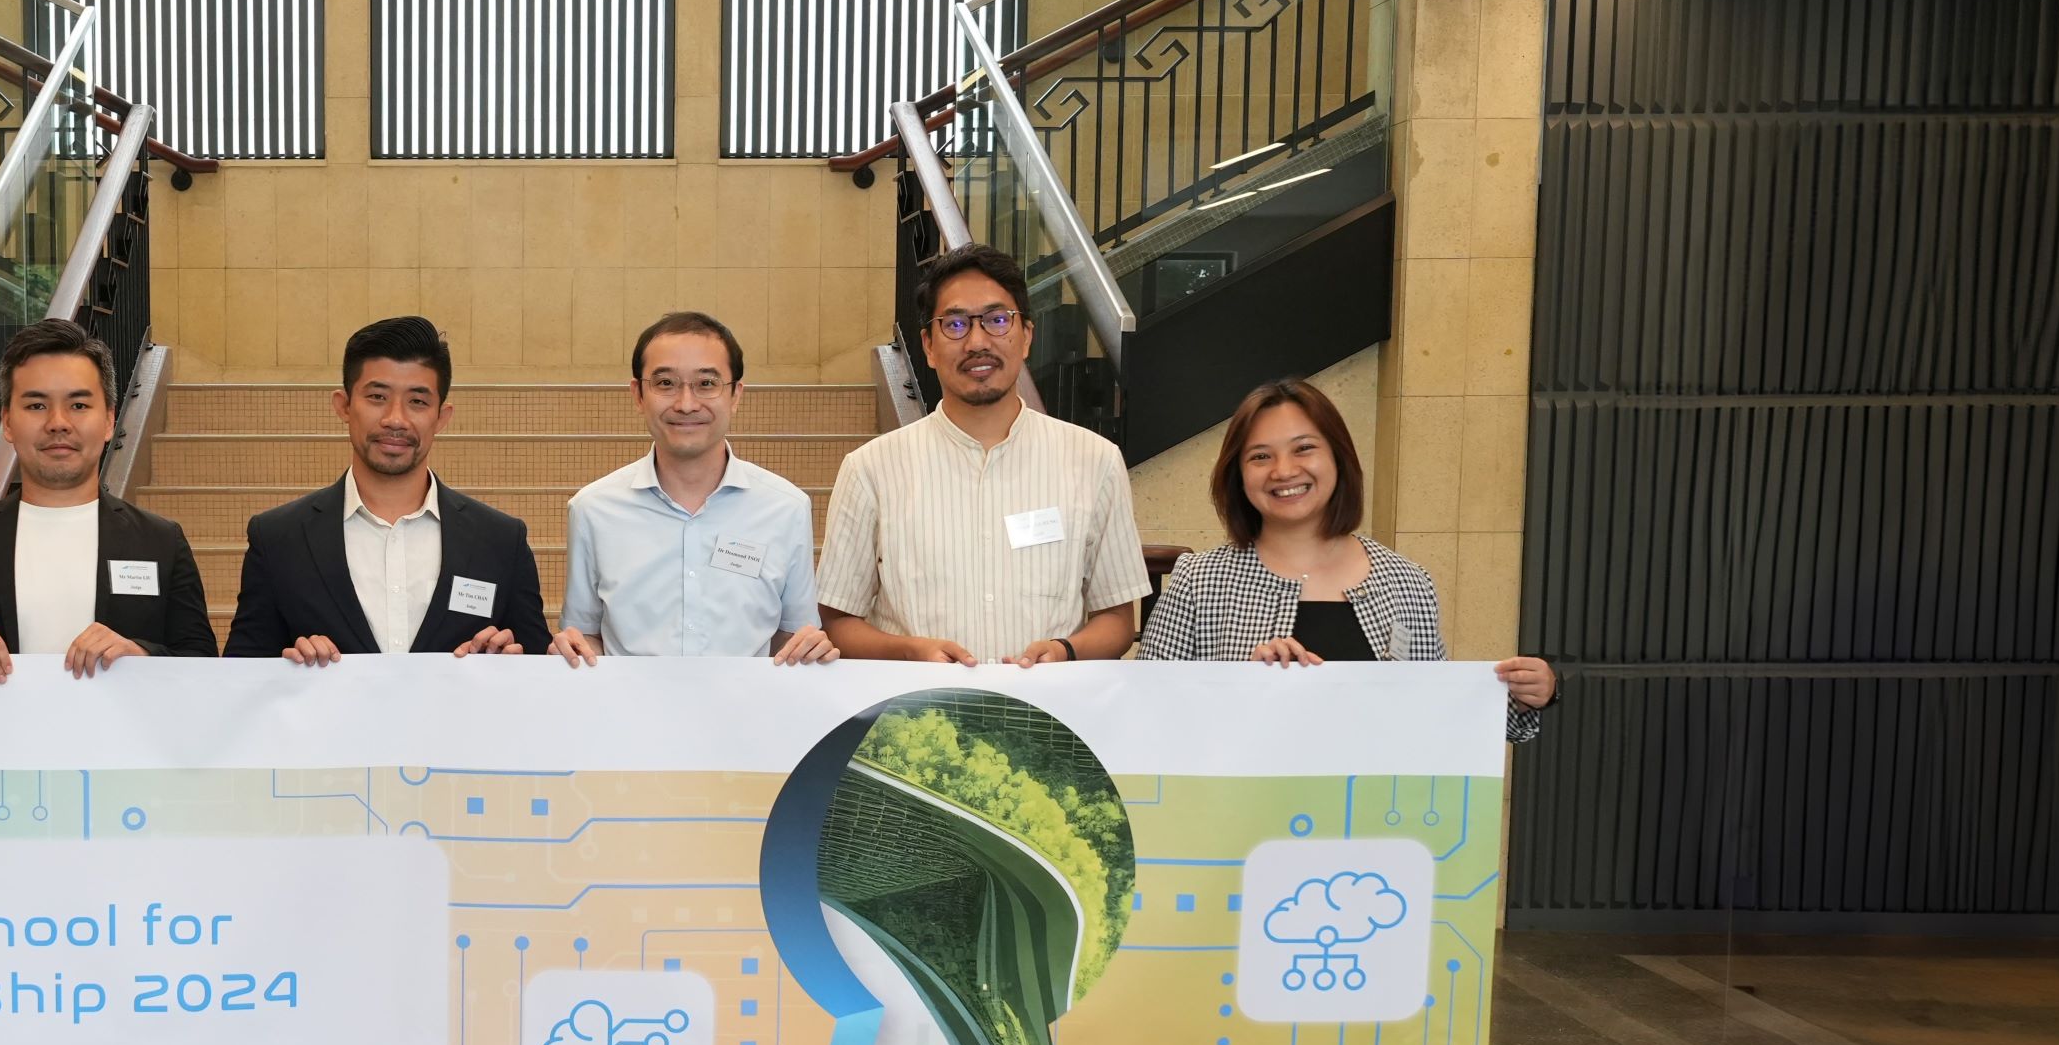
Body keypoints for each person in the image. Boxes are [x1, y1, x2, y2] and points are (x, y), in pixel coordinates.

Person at [1141, 377, 1554, 739]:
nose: (1283, 471)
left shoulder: (1406, 581)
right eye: (1260, 456)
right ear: (1238, 475)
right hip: (1241, 805)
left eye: (1304, 448)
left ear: (1338, 458)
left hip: (1373, 804)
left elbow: (1436, 712)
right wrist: (1239, 688)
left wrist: (1525, 697)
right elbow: (1145, 713)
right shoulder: (1199, 580)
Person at [817, 244, 1147, 667]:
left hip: (1045, 704)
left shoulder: (1095, 461)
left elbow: (1117, 619)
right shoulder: (869, 470)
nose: (977, 342)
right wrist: (909, 651)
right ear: (928, 346)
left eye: (997, 320)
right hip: (920, 703)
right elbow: (838, 621)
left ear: (1026, 336)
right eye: (955, 324)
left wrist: (1066, 651)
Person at [223, 315, 552, 664]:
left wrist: (512, 659)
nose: (395, 419)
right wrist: (287, 667)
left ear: (442, 417)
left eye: (418, 402)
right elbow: (242, 670)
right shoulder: (278, 537)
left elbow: (537, 665)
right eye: (377, 396)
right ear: (343, 405)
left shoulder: (501, 540)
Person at [0, 319, 214, 679]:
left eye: (78, 405)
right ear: (8, 423)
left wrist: (140, 654)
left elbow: (201, 661)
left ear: (108, 421)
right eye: (36, 406)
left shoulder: (160, 541)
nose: (58, 423)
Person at [552, 311, 837, 665]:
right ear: (638, 395)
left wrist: (808, 648)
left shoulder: (786, 507)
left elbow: (792, 635)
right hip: (630, 702)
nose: (686, 404)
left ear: (735, 395)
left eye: (706, 383)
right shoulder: (593, 509)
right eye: (665, 383)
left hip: (745, 701)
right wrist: (574, 650)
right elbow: (586, 634)